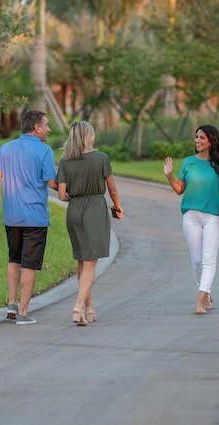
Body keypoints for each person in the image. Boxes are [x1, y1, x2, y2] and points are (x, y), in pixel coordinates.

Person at [0, 110, 58, 325]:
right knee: (29, 264)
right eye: (46, 125)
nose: (49, 129)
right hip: (35, 218)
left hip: (12, 217)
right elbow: (52, 183)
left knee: (14, 259)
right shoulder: (44, 150)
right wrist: (71, 188)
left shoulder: (6, 148)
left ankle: (12, 304)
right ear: (36, 128)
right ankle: (23, 313)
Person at [57, 121, 123, 326]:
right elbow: (112, 189)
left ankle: (90, 307)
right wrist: (118, 207)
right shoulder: (101, 158)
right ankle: (78, 305)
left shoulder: (66, 161)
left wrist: (75, 198)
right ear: (89, 136)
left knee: (82, 260)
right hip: (95, 208)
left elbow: (61, 195)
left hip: (74, 210)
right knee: (91, 261)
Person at [163, 125, 219, 315]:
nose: (197, 141)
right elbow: (179, 190)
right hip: (191, 216)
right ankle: (206, 291)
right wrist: (169, 176)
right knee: (197, 260)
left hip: (213, 217)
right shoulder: (188, 163)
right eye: (196, 137)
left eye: (202, 138)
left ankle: (200, 300)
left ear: (211, 141)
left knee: (209, 258)